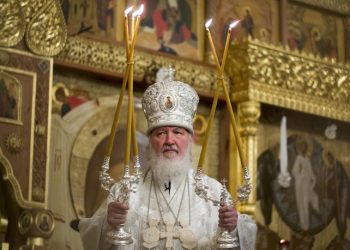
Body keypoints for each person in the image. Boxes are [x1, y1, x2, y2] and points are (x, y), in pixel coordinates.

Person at [79, 70, 256, 249]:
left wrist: (233, 227)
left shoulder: (213, 193)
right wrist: (108, 223)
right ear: (150, 141)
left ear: (190, 139)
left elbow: (246, 236)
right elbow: (90, 235)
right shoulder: (125, 192)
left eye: (177, 132)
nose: (169, 140)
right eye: (161, 133)